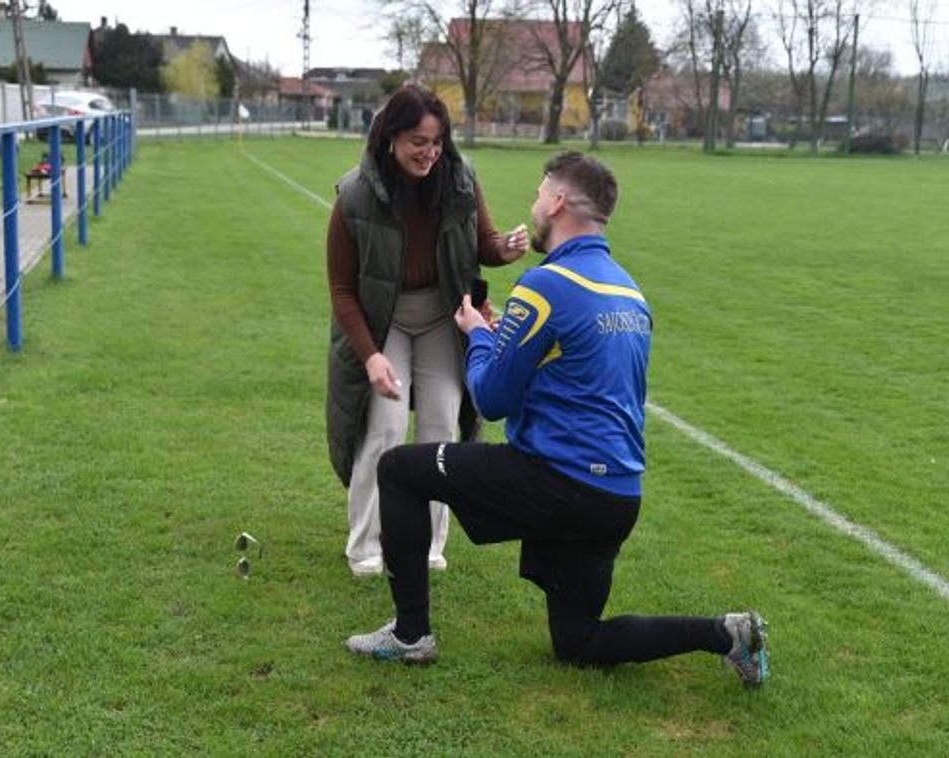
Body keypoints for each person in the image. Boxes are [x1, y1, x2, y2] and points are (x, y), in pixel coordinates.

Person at [344, 152, 769, 689]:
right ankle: (727, 633)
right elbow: (574, 376)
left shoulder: (547, 284)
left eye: (541, 193)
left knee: (401, 468)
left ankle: (410, 635)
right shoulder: (629, 291)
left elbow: (493, 399)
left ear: (560, 201)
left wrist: (477, 334)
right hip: (615, 497)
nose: (535, 204)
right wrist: (503, 339)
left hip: (558, 482)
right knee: (578, 642)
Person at [326, 85, 527, 577]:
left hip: (441, 315)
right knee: (387, 428)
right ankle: (366, 547)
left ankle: (431, 544)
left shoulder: (459, 180)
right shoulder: (354, 195)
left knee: (442, 425)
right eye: (419, 141)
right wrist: (372, 356)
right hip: (384, 319)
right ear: (391, 138)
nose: (430, 152)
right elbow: (342, 290)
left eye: (437, 142)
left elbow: (482, 243)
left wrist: (506, 248)